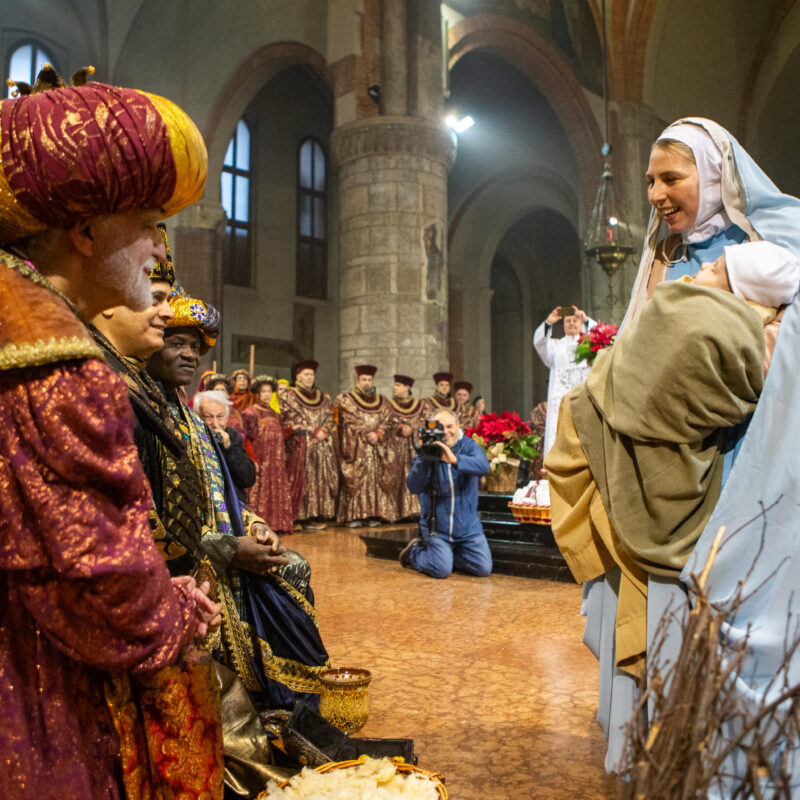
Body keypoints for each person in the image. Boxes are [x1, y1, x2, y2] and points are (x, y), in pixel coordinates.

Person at [0, 66, 222, 800]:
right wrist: (180, 614)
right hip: (34, 678)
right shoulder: (53, 355)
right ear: (87, 231)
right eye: (152, 224)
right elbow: (101, 580)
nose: (161, 249)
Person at [568, 117, 800, 784]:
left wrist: (728, 280)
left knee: (704, 601)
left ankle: (715, 762)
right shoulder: (666, 259)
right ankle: (658, 754)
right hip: (655, 467)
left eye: (673, 178)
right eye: (650, 181)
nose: (658, 193)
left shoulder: (759, 253)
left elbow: (765, 367)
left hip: (730, 469)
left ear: (718, 178)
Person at [547, 240, 799, 673]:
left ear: (739, 290)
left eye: (717, 267)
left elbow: (653, 383)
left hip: (661, 461)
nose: (700, 271)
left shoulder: (698, 312)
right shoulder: (755, 328)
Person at [147, 293, 330, 712]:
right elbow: (155, 520)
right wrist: (231, 549)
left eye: (196, 347)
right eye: (177, 344)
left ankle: (288, 703)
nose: (190, 355)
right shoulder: (151, 416)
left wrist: (256, 526)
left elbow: (223, 493)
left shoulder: (192, 423)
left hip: (225, 547)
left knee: (295, 567)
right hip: (188, 566)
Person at [399, 409, 492, 579]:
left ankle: (446, 556)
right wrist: (424, 456)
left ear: (458, 426)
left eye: (450, 426)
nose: (446, 432)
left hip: (468, 528)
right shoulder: (427, 452)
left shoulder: (468, 446)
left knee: (483, 568)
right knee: (441, 571)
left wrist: (455, 460)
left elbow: (484, 466)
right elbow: (413, 486)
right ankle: (414, 553)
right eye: (440, 428)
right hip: (437, 528)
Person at [336, 365, 398, 527]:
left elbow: (390, 418)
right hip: (357, 448)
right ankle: (354, 515)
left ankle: (374, 514)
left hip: (378, 447)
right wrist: (367, 433)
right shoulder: (347, 399)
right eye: (364, 379)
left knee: (377, 479)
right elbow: (350, 418)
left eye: (369, 380)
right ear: (357, 380)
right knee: (357, 478)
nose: (367, 383)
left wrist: (379, 433)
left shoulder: (383, 401)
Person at [281, 360, 338, 530]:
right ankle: (299, 516)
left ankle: (316, 514)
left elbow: (329, 416)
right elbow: (287, 417)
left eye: (311, 375)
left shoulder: (323, 397)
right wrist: (310, 430)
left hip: (320, 445)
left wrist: (324, 431)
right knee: (301, 479)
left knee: (319, 479)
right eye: (306, 374)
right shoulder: (288, 395)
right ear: (298, 376)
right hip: (301, 444)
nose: (309, 378)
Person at [533, 305, 595, 457]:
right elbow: (539, 343)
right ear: (564, 325)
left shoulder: (589, 345)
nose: (572, 323)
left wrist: (586, 320)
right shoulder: (555, 346)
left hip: (583, 398)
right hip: (560, 400)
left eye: (575, 320)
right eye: (568, 321)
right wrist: (548, 322)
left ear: (581, 324)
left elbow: (607, 341)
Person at [242, 375, 294, 534]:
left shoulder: (275, 413)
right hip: (261, 460)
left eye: (269, 392)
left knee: (275, 488)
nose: (266, 395)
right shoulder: (250, 413)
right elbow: (246, 439)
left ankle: (278, 524)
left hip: (276, 461)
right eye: (263, 392)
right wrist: (252, 459)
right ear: (257, 394)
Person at [196, 389, 256, 505]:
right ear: (197, 416)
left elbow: (248, 478)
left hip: (230, 501)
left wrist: (229, 447)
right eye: (208, 417)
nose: (215, 423)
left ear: (227, 417)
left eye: (220, 417)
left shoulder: (232, 436)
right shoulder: (193, 435)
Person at [386, 374, 426, 520]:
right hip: (395, 448)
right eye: (394, 385)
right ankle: (396, 512)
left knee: (414, 475)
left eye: (398, 385)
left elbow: (424, 423)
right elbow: (386, 423)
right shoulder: (389, 405)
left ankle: (413, 511)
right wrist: (398, 428)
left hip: (413, 449)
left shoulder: (419, 405)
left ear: (406, 387)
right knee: (396, 477)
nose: (394, 388)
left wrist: (412, 429)